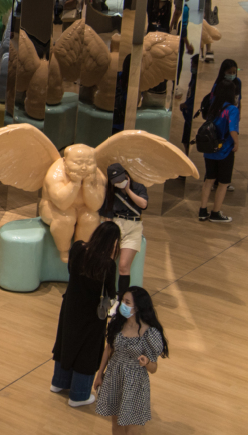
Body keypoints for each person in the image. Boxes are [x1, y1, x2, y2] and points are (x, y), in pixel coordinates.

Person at [50, 220, 120, 407]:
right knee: (87, 351)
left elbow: (70, 271)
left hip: (70, 306)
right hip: (92, 314)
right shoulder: (108, 264)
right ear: (113, 242)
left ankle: (59, 382)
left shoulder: (78, 248)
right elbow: (111, 292)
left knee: (66, 341)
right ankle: (78, 395)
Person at [95, 286, 168, 433]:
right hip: (114, 377)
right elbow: (109, 349)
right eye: (122, 301)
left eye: (127, 302)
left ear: (138, 307)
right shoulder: (117, 323)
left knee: (132, 427)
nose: (123, 305)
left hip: (135, 383)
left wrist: (147, 363)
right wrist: (100, 374)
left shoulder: (150, 333)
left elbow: (154, 368)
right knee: (116, 423)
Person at [199, 63, 238, 223]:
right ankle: (215, 213)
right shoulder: (232, 109)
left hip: (209, 150)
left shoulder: (213, 107)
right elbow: (233, 129)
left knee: (209, 180)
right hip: (224, 151)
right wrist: (237, 143)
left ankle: (202, 211)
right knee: (223, 183)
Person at [101, 165, 147, 297]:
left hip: (133, 226)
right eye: (117, 181)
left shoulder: (138, 187)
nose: (120, 182)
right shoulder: (110, 192)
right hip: (116, 225)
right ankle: (109, 295)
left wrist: (128, 190)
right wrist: (108, 235)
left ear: (126, 175)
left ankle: (121, 297)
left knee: (123, 266)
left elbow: (143, 205)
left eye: (122, 179)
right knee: (108, 262)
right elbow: (108, 215)